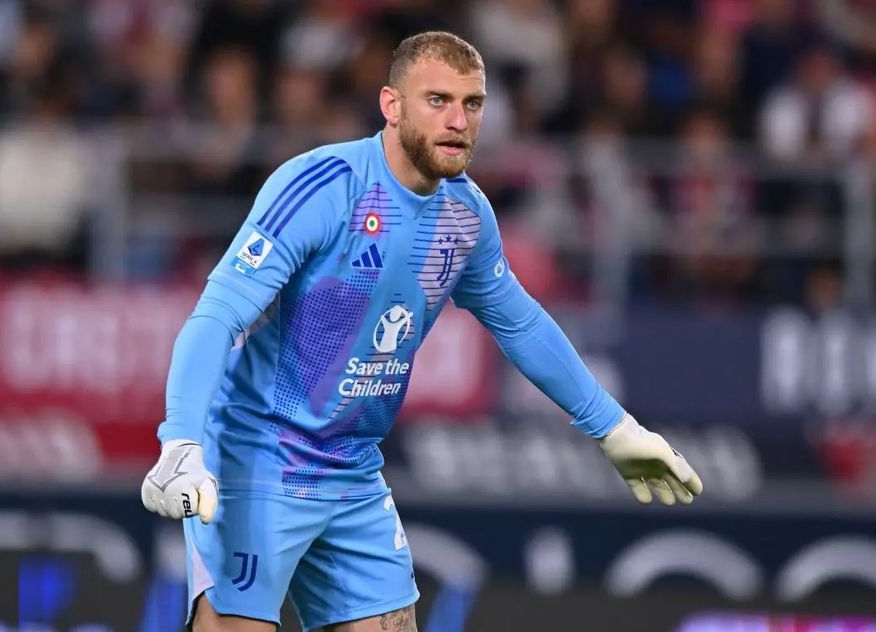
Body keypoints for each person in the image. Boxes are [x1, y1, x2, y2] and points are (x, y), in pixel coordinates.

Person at [141, 31, 703, 632]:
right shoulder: (323, 187)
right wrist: (181, 442)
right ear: (392, 104)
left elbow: (519, 322)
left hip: (352, 471)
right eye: (437, 100)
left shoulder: (466, 215)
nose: (458, 121)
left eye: (472, 103)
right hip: (258, 462)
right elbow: (218, 314)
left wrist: (614, 427)